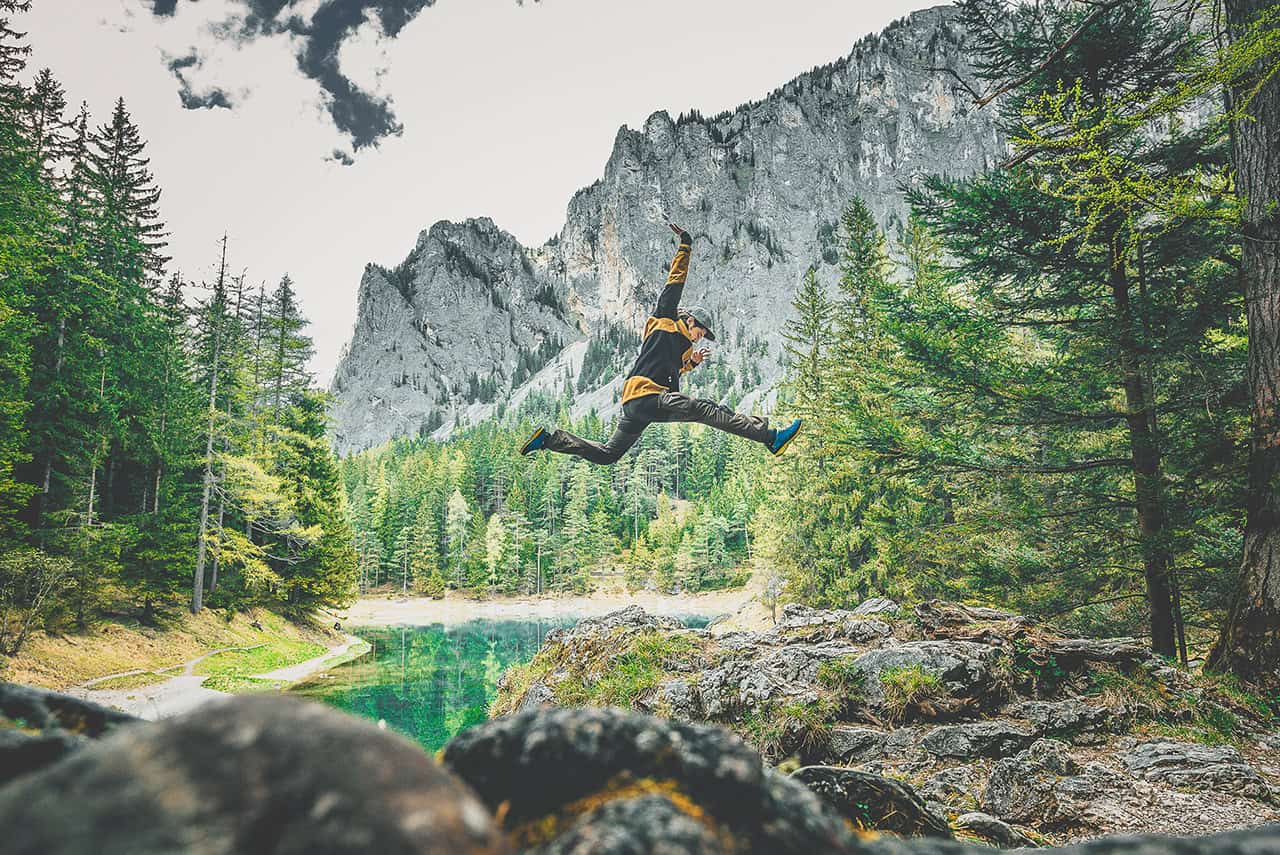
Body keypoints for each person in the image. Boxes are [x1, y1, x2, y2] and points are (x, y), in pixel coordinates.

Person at [520, 222, 802, 465]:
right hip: (647, 396)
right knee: (707, 410)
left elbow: (669, 368)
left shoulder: (682, 348)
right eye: (701, 331)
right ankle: (770, 437)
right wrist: (686, 245)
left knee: (608, 454)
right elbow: (674, 282)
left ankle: (548, 440)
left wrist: (690, 363)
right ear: (690, 321)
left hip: (637, 405)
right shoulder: (664, 318)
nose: (700, 337)